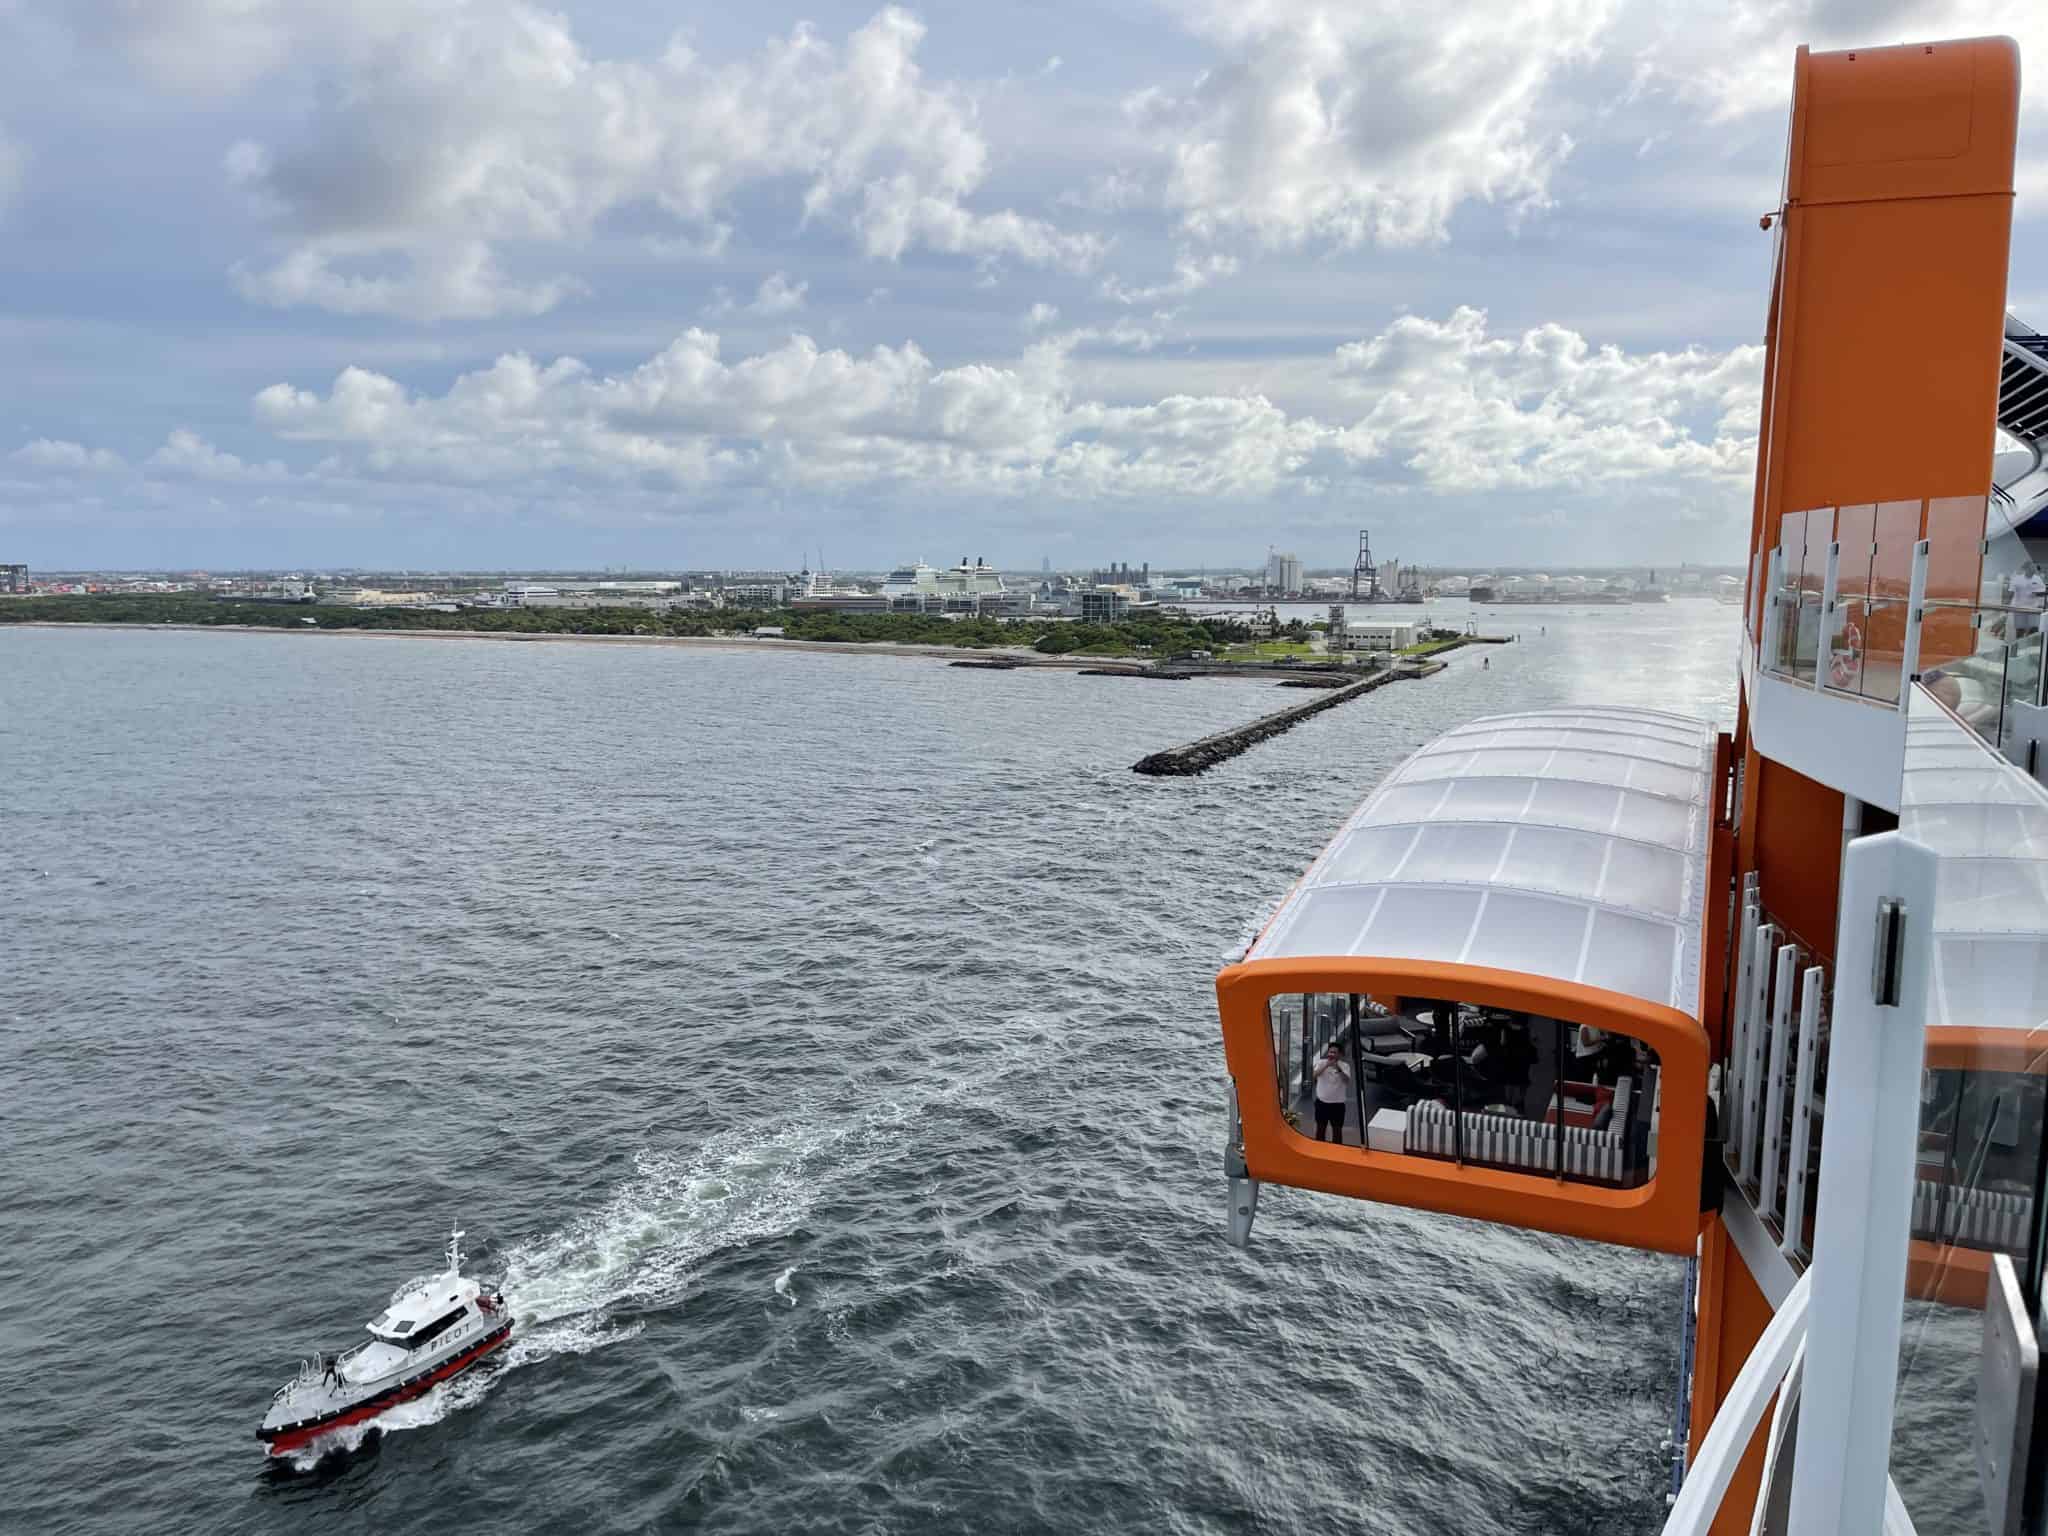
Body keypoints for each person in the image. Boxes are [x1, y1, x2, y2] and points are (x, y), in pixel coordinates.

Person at [1311, 1042, 1352, 1142]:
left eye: (1334, 1052)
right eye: (1330, 1052)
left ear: (1340, 1054)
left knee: (1337, 1131)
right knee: (1320, 1130)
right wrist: (1326, 1065)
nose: (1331, 1054)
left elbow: (1346, 1080)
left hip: (1338, 1106)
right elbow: (1314, 1075)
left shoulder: (1345, 1066)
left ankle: (1337, 1151)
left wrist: (1338, 1069)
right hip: (1322, 1104)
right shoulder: (1321, 1063)